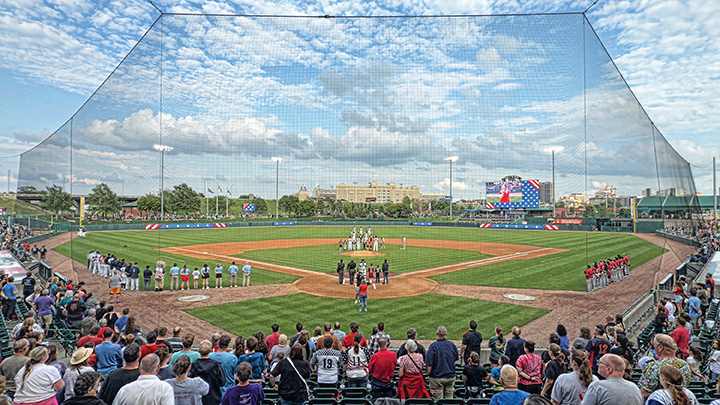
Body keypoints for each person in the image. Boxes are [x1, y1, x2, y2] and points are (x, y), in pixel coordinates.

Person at [639, 334, 692, 398]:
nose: (654, 346)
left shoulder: (654, 366)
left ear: (661, 348)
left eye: (654, 344)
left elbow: (644, 392)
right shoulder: (685, 365)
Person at [426, 325, 459, 400]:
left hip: (437, 377)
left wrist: (428, 375)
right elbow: (456, 358)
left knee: (438, 401)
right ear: (446, 335)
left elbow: (429, 364)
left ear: (437, 334)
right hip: (450, 376)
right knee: (449, 400)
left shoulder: (433, 346)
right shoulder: (451, 345)